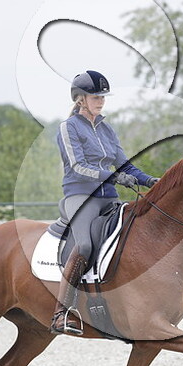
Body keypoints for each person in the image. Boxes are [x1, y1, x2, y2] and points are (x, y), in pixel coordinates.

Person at [51, 70, 159, 335]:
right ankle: (61, 312)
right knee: (85, 245)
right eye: (95, 97)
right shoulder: (68, 127)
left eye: (102, 97)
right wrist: (113, 177)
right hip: (80, 196)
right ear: (81, 99)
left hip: (108, 198)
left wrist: (151, 181)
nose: (101, 101)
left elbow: (124, 165)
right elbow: (77, 166)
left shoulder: (107, 129)